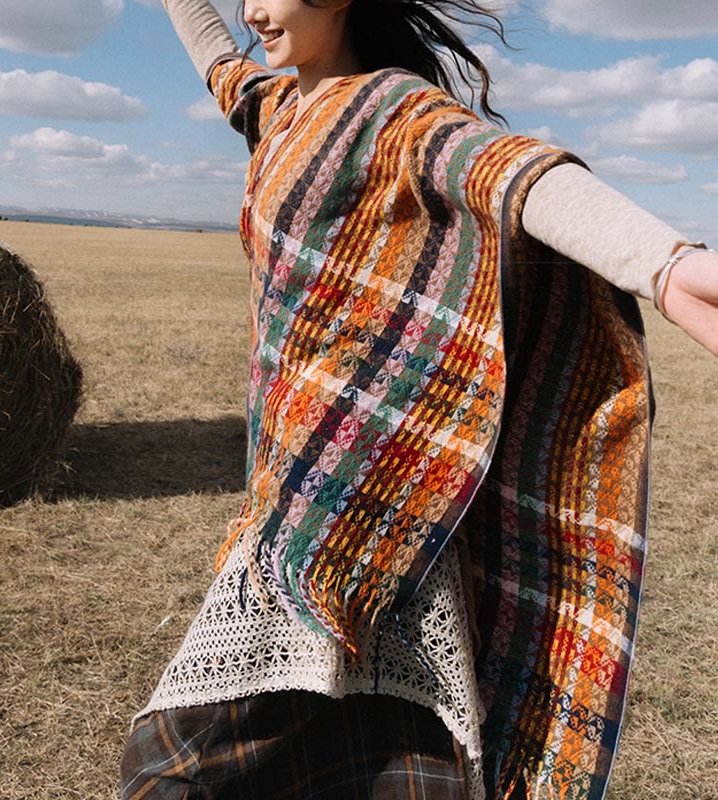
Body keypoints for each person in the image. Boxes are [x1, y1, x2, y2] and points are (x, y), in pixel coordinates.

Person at [121, 1, 718, 798]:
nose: (253, 10)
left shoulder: (395, 110)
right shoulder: (273, 104)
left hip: (380, 502)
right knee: (362, 752)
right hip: (284, 492)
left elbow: (510, 171)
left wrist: (667, 267)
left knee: (180, 769)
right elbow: (207, 46)